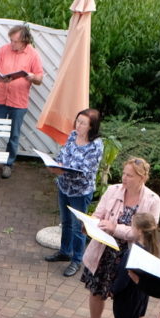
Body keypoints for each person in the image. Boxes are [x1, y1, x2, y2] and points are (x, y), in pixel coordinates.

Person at [74, 157, 160, 318]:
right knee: (96, 291)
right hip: (104, 252)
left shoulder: (153, 200)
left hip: (131, 256)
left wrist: (115, 229)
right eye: (123, 173)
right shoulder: (112, 190)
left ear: (142, 177)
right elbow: (98, 214)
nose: (124, 178)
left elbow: (146, 233)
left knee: (128, 299)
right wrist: (90, 225)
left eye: (129, 175)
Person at [44, 109, 104, 274]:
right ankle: (65, 252)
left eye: (83, 123)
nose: (78, 125)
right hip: (64, 187)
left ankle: (77, 260)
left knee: (79, 227)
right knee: (66, 222)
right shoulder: (72, 135)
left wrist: (62, 171)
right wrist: (54, 164)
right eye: (77, 121)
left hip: (80, 192)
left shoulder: (96, 145)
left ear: (92, 127)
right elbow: (63, 155)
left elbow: (85, 171)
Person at [0, 25, 44, 179]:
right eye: (11, 40)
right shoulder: (3, 50)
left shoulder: (33, 54)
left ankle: (8, 164)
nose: (11, 44)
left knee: (14, 135)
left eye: (15, 41)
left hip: (18, 102)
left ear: (24, 41)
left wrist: (32, 77)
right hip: (0, 98)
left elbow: (39, 78)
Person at [111, 212, 160, 318]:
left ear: (138, 230)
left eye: (132, 226)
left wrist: (113, 290)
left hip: (127, 295)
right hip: (141, 294)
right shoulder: (152, 249)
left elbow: (123, 280)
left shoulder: (132, 253)